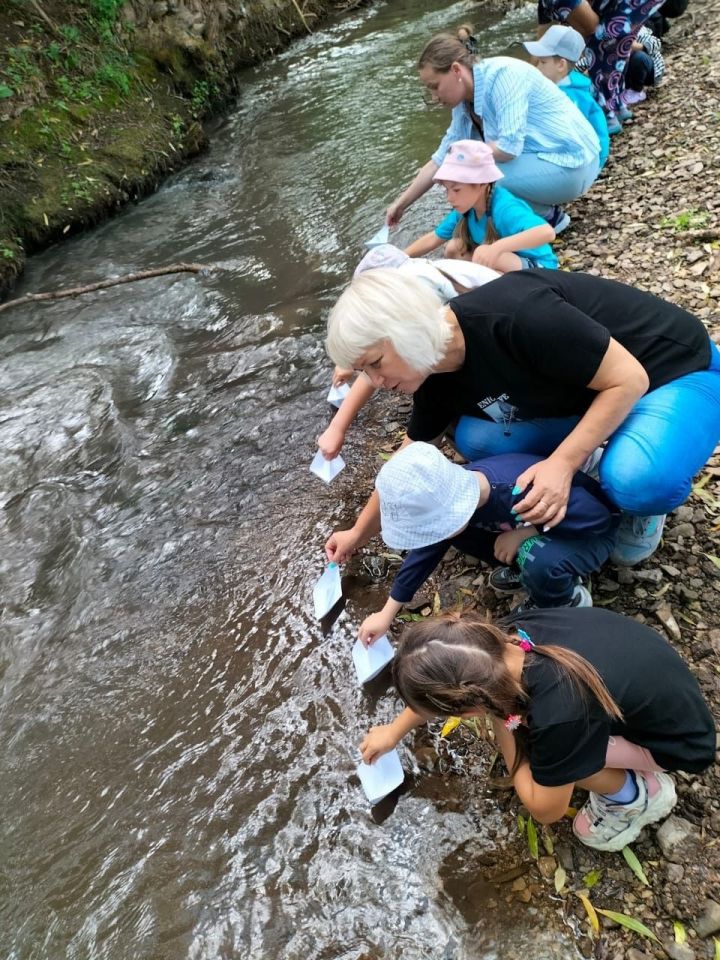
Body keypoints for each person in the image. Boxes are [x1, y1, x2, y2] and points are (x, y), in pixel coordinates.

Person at [323, 268, 720, 567]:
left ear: (406, 329)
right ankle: (601, 458)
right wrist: (358, 533)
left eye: (375, 363)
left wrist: (561, 465)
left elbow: (630, 379)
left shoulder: (516, 315)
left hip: (673, 372)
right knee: (478, 440)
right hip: (591, 392)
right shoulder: (432, 374)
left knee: (638, 481)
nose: (375, 380)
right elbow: (406, 463)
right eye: (364, 371)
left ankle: (638, 501)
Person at [360, 608, 715, 851]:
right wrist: (394, 730)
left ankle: (635, 794)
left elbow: (545, 811)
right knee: (530, 732)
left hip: (675, 744)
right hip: (653, 686)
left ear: (471, 708)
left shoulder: (561, 713)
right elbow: (449, 677)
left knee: (539, 752)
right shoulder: (502, 640)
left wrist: (505, 724)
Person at [358, 443, 620, 644]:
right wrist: (387, 612)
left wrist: (531, 530)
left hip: (587, 533)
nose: (432, 537)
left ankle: (565, 599)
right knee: (460, 536)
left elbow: (599, 518)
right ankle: (528, 571)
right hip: (526, 529)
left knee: (538, 560)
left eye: (434, 529)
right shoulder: (456, 493)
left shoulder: (520, 489)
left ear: (451, 511)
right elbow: (426, 551)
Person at [386, 35, 601, 235]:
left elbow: (509, 148)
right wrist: (400, 204)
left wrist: (464, 155)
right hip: (552, 162)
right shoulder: (463, 104)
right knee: (463, 169)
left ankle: (549, 218)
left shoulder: (503, 76)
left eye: (435, 86)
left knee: (476, 175)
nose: (433, 96)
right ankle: (532, 213)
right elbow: (439, 160)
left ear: (456, 70)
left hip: (576, 164)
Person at [318, 245, 501, 461]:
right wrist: (338, 426)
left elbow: (373, 372)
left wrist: (338, 426)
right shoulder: (411, 287)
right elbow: (375, 366)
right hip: (479, 351)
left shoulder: (420, 292)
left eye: (374, 362)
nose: (376, 379)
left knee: (462, 428)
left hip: (493, 350)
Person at [405, 140, 558, 271]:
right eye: (447, 189)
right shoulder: (466, 209)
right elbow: (434, 238)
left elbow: (546, 232)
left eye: (456, 189)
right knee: (454, 247)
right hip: (511, 267)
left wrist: (497, 248)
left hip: (540, 269)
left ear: (482, 183)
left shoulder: (504, 207)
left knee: (485, 252)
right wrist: (401, 257)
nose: (450, 197)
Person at [536, 1, 665, 134]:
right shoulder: (545, 5)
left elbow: (591, 28)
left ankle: (608, 118)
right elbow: (542, 38)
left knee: (599, 52)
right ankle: (619, 107)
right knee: (614, 54)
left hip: (643, 57)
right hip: (622, 12)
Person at [522, 25, 610, 165]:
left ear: (561, 65)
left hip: (576, 161)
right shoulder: (567, 87)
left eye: (542, 62)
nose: (537, 68)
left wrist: (599, 160)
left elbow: (599, 127)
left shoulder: (574, 97)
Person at [624, 24, 665, 103]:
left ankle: (636, 91)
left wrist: (636, 46)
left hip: (650, 71)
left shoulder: (637, 29)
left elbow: (656, 43)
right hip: (625, 72)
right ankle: (625, 90)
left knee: (639, 57)